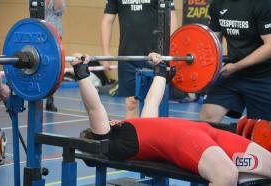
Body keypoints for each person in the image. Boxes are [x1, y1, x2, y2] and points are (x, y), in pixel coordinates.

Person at [71, 53, 271, 186]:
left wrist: (161, 70)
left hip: (207, 133)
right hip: (185, 141)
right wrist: (82, 73)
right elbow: (93, 107)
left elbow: (152, 101)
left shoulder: (138, 129)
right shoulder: (111, 141)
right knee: (226, 175)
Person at [101, 0, 178, 119]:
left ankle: (153, 136)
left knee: (154, 103)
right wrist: (106, 52)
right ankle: (132, 136)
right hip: (128, 56)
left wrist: (167, 51)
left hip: (156, 56)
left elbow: (171, 17)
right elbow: (107, 20)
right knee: (131, 103)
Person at [199, 0, 271, 125]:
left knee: (263, 132)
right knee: (207, 119)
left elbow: (270, 46)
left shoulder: (263, 4)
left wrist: (237, 66)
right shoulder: (218, 4)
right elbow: (212, 42)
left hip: (264, 75)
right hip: (232, 73)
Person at [44, 0, 66, 112]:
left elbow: (59, 9)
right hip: (39, 32)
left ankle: (50, 99)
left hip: (54, 34)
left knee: (52, 68)